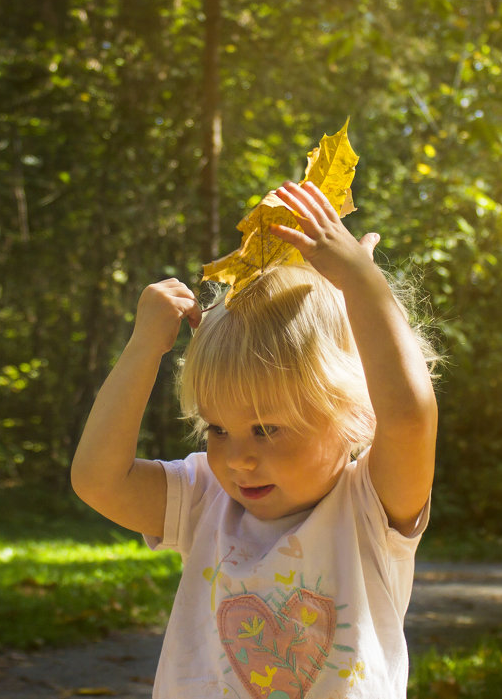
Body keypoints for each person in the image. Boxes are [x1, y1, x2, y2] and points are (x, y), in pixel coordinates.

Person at [70, 180, 440, 698]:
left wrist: (362, 284)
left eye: (266, 429)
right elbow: (97, 480)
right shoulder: (204, 499)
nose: (238, 458)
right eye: (217, 428)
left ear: (350, 414)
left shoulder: (369, 509)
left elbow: (409, 418)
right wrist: (142, 350)